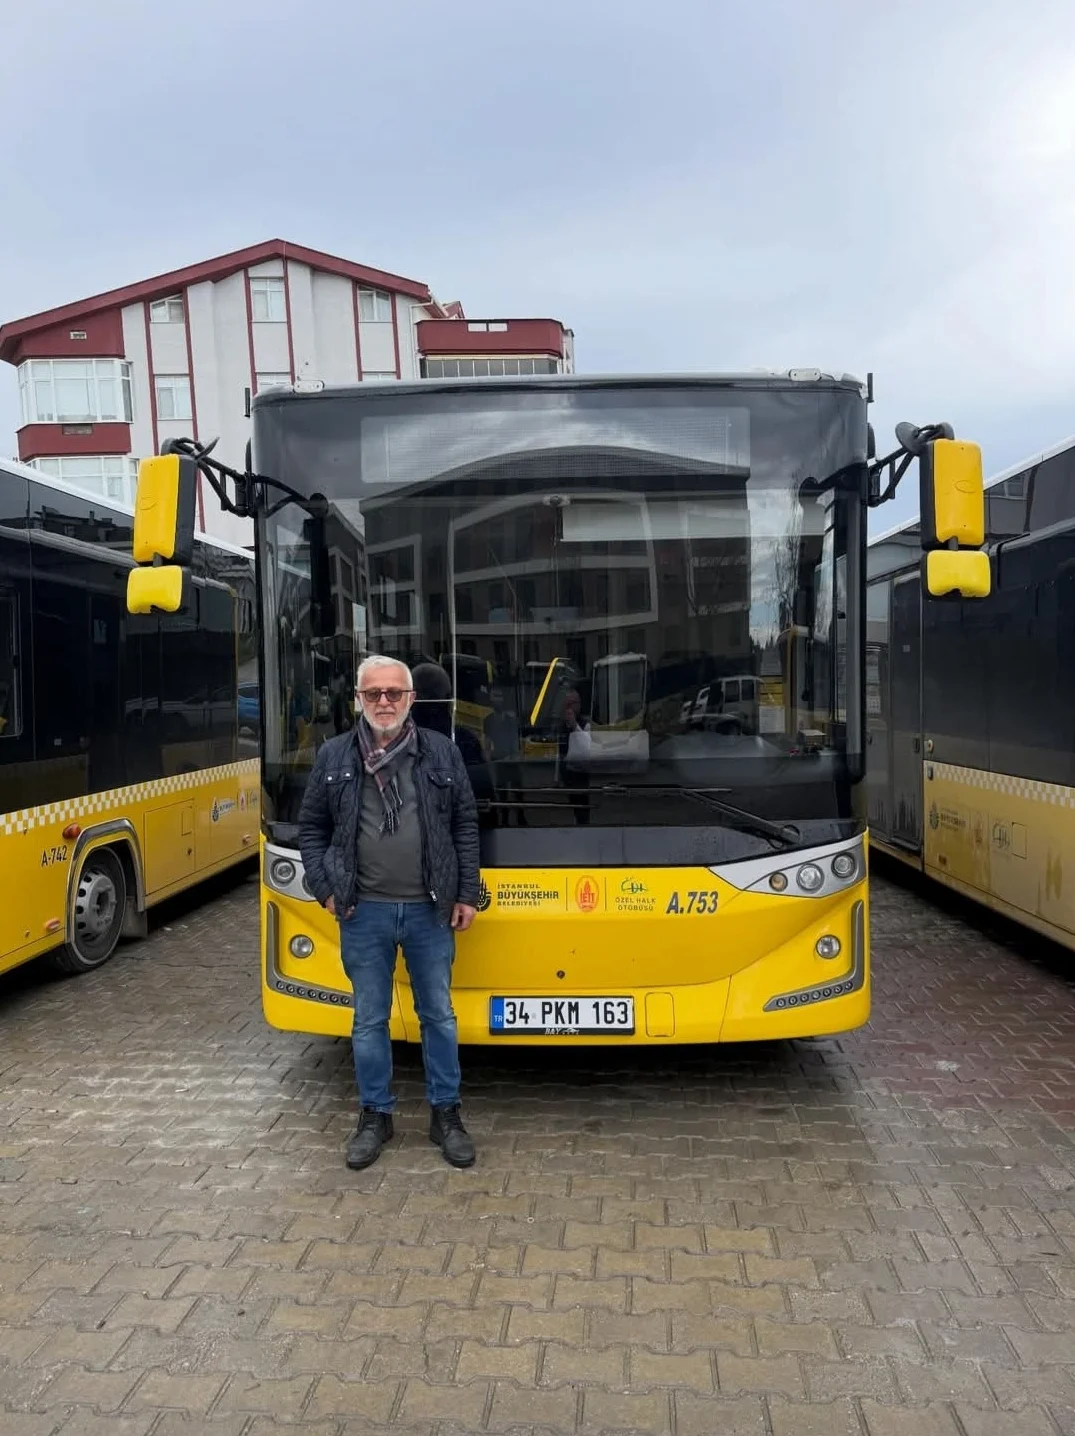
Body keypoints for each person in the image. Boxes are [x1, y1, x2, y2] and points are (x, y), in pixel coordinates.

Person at [297, 654, 481, 1170]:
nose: (384, 702)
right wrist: (325, 889)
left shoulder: (441, 753)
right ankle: (375, 1115)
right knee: (369, 1020)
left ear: (411, 699)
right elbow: (312, 828)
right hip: (363, 912)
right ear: (358, 699)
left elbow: (465, 824)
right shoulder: (334, 755)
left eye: (393, 693)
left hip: (430, 911)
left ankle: (446, 1115)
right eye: (373, 693)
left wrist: (466, 893)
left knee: (438, 1015)